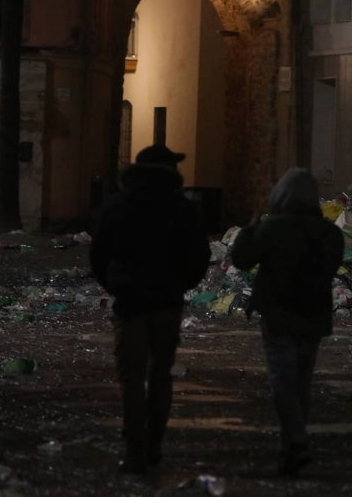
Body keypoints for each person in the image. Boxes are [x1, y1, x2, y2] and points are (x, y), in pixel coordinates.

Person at [89, 143, 210, 474]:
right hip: (167, 302)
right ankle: (154, 444)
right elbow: (199, 256)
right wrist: (180, 284)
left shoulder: (119, 205)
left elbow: (98, 254)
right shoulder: (183, 209)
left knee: (131, 377)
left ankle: (134, 448)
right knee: (160, 375)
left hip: (130, 302)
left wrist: (115, 284)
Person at [231, 167, 344, 476]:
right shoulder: (330, 234)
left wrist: (250, 229)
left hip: (278, 312)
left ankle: (296, 440)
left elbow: (241, 259)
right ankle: (291, 447)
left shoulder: (272, 229)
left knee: (282, 378)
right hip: (313, 314)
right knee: (301, 381)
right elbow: (329, 269)